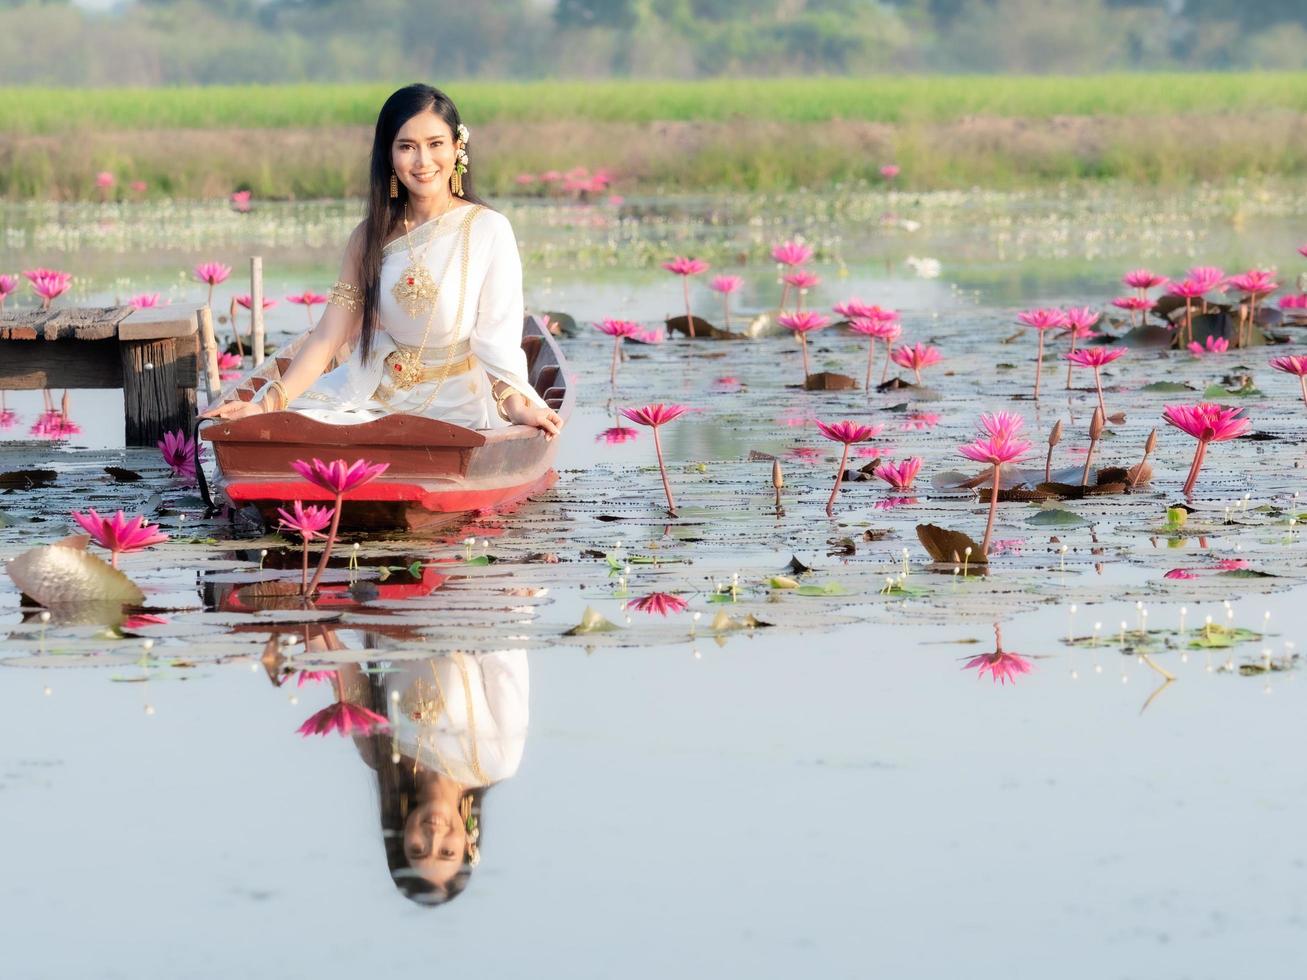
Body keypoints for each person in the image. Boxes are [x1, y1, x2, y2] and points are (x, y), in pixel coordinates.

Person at [201, 83, 562, 439]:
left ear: (457, 148)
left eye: (435, 144)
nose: (423, 162)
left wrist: (516, 404)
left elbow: (496, 341)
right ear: (389, 155)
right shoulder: (369, 237)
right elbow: (330, 335)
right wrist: (267, 404)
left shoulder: (488, 229)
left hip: (459, 405)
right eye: (407, 147)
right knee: (291, 431)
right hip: (373, 393)